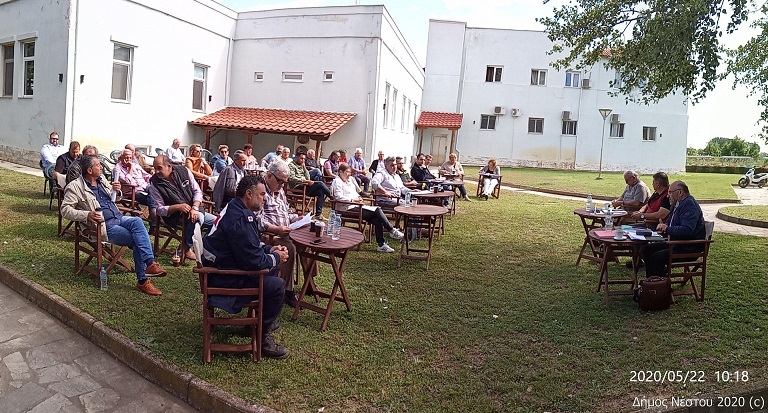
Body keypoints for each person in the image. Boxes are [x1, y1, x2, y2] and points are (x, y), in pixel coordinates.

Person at [202, 174, 290, 359]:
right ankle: (262, 336)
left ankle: (258, 321)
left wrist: (270, 249)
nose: (265, 198)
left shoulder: (236, 208)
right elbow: (253, 262)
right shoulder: (240, 218)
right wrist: (276, 256)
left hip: (223, 268)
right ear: (249, 194)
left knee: (273, 269)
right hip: (225, 278)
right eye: (262, 194)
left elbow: (249, 245)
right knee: (277, 286)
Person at [61, 154, 167, 295]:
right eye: (98, 165)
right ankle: (143, 280)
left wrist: (116, 191)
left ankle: (150, 264)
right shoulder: (75, 187)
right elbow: (65, 210)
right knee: (137, 239)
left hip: (118, 217)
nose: (101, 167)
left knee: (137, 221)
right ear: (89, 170)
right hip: (102, 226)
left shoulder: (102, 180)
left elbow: (114, 199)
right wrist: (86, 214)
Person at [148, 155, 216, 260]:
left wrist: (195, 207)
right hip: (174, 216)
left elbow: (197, 191)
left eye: (159, 168)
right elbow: (158, 209)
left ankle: (201, 246)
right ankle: (187, 248)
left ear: (169, 166)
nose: (156, 171)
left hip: (195, 210)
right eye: (155, 168)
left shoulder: (184, 171)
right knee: (197, 218)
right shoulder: (154, 183)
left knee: (217, 222)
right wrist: (177, 207)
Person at [258, 161, 303, 307]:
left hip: (286, 230)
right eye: (280, 181)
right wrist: (276, 230)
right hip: (269, 234)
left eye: (284, 182)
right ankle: (287, 290)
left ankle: (310, 282)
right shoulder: (260, 190)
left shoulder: (280, 190)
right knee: (289, 247)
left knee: (309, 244)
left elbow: (287, 212)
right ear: (269, 175)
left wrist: (296, 218)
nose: (282, 185)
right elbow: (258, 220)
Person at [333, 163, 403, 253]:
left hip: (356, 206)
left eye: (350, 172)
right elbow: (338, 197)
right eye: (347, 172)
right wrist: (353, 200)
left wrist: (359, 198)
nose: (349, 174)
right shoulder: (337, 181)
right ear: (340, 172)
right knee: (377, 210)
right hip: (345, 208)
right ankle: (392, 230)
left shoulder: (350, 180)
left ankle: (381, 245)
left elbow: (356, 193)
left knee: (377, 220)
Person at [643, 181, 706, 278]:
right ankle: (652, 282)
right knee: (647, 249)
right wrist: (664, 225)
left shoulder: (689, 205)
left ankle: (661, 284)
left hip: (688, 247)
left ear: (680, 193)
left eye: (670, 192)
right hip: (676, 243)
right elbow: (670, 223)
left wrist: (667, 228)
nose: (667, 195)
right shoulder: (676, 204)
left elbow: (687, 230)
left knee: (656, 257)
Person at [287, 151, 331, 221]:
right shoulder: (291, 166)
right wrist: (304, 181)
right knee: (320, 183)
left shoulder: (302, 166)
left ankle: (318, 215)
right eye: (301, 158)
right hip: (297, 187)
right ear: (296, 157)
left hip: (305, 186)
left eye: (304, 159)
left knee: (320, 192)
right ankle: (332, 197)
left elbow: (308, 178)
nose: (303, 160)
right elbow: (291, 178)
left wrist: (305, 169)